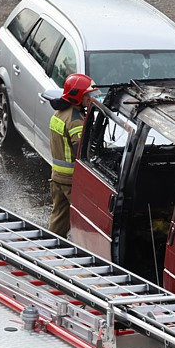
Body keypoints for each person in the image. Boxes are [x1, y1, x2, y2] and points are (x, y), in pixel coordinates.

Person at [47, 73, 96, 236]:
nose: (90, 99)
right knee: (86, 220)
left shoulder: (59, 114)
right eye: (87, 95)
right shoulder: (76, 120)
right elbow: (80, 152)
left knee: (59, 218)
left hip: (57, 176)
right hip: (71, 180)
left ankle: (49, 247)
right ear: (77, 97)